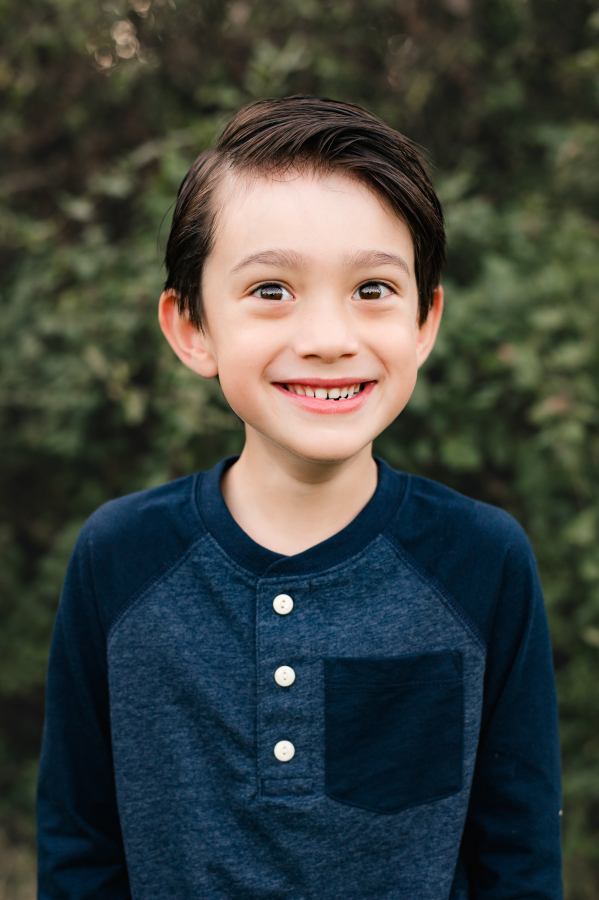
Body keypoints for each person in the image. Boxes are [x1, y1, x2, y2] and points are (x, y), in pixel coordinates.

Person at [37, 96, 562, 899]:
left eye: (372, 289)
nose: (327, 338)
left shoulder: (481, 560)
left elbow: (518, 854)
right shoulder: (120, 556)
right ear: (192, 327)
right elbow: (79, 844)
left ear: (424, 321)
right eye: (271, 289)